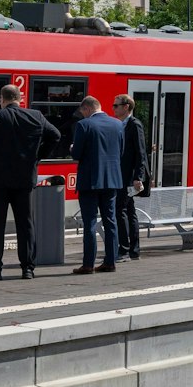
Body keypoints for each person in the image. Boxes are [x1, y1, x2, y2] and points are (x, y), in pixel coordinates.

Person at [0, 83, 60, 280]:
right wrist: (36, 157)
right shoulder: (36, 116)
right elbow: (55, 135)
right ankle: (27, 268)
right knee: (25, 224)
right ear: (20, 99)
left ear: (1, 100)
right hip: (24, 178)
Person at [70, 95, 125, 273]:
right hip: (112, 180)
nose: (83, 115)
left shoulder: (84, 125)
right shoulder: (118, 124)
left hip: (90, 181)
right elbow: (121, 151)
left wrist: (72, 148)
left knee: (90, 223)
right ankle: (111, 261)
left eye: (83, 112)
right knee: (111, 221)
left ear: (87, 108)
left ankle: (88, 264)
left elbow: (76, 154)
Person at [114, 94, 146, 261]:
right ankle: (133, 250)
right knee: (129, 211)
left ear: (126, 107)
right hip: (122, 175)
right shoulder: (122, 124)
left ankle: (124, 250)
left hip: (128, 177)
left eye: (116, 105)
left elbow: (141, 152)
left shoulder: (134, 124)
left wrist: (138, 176)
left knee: (120, 210)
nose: (114, 108)